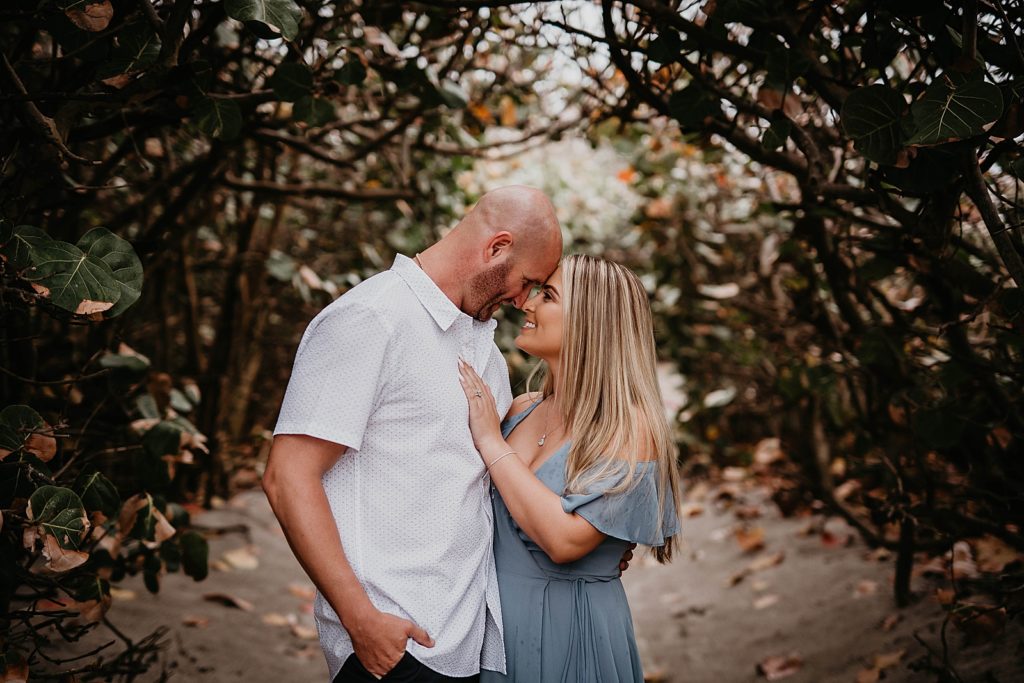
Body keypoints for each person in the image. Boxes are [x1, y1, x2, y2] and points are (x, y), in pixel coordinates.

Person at [262, 185, 563, 683]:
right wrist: (361, 620)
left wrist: (590, 538)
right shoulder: (371, 319)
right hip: (393, 643)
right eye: (526, 281)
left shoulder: (483, 348)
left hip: (470, 643)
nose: (522, 300)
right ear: (496, 248)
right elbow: (287, 477)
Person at [457, 254, 683, 683]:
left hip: (572, 630)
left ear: (590, 322)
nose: (527, 304)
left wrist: (489, 441)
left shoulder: (628, 428)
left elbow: (564, 543)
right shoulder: (521, 409)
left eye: (549, 296)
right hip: (493, 633)